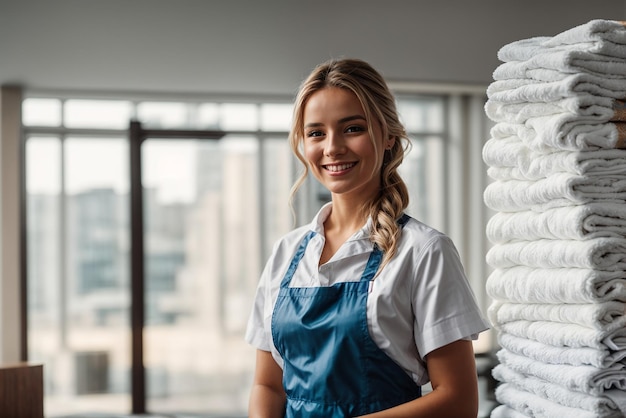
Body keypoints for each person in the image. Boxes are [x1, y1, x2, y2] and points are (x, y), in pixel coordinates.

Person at [245, 57, 489, 418]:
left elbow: (458, 401)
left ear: (388, 134)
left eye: (352, 128)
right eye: (316, 133)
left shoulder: (424, 251)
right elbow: (267, 385)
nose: (332, 148)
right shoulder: (287, 252)